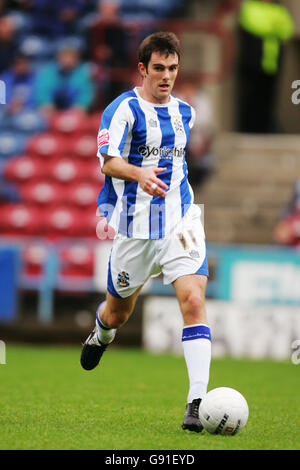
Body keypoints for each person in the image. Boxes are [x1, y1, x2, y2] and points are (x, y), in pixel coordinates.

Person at [80, 32, 211, 433]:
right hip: (135, 230)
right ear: (142, 69)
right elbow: (107, 161)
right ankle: (101, 335)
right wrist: (139, 173)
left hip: (181, 221)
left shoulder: (185, 113)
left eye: (173, 68)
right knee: (118, 314)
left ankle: (197, 402)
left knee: (192, 299)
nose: (166, 76)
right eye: (158, 68)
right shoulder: (122, 109)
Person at [35, 43, 94, 115]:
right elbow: (43, 92)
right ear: (59, 58)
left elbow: (86, 94)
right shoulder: (49, 71)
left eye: (71, 57)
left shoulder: (83, 73)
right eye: (65, 57)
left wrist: (80, 106)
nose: (68, 60)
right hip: (52, 112)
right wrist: (46, 104)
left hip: (74, 113)